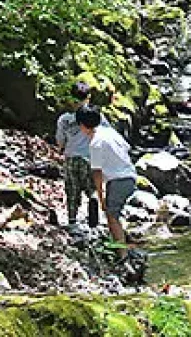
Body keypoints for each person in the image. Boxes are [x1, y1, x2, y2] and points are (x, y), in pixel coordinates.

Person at [76, 105, 137, 260]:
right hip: (130, 175)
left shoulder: (95, 144)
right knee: (115, 213)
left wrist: (101, 196)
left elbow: (97, 173)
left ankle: (122, 254)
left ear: (83, 126)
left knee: (111, 215)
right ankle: (123, 242)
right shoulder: (110, 132)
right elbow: (127, 148)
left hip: (118, 181)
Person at [55, 82, 103, 228]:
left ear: (70, 98)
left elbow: (60, 140)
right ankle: (93, 200)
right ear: (88, 97)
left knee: (72, 190)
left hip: (71, 158)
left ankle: (72, 220)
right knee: (91, 187)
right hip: (89, 158)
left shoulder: (64, 119)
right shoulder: (95, 116)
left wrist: (62, 148)